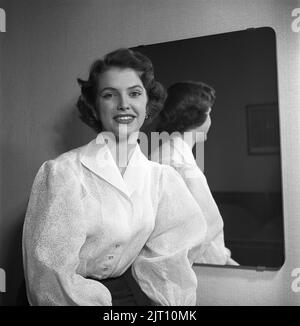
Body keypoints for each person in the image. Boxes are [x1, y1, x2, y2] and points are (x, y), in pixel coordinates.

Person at [22, 49, 208, 306]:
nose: (124, 104)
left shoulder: (162, 179)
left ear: (147, 103)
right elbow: (50, 278)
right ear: (95, 107)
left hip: (131, 296)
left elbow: (170, 263)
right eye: (109, 95)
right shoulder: (64, 173)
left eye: (134, 93)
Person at [152, 81, 238, 265]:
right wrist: (226, 262)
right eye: (210, 114)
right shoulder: (181, 166)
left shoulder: (156, 156)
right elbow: (207, 233)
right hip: (190, 270)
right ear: (198, 116)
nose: (210, 121)